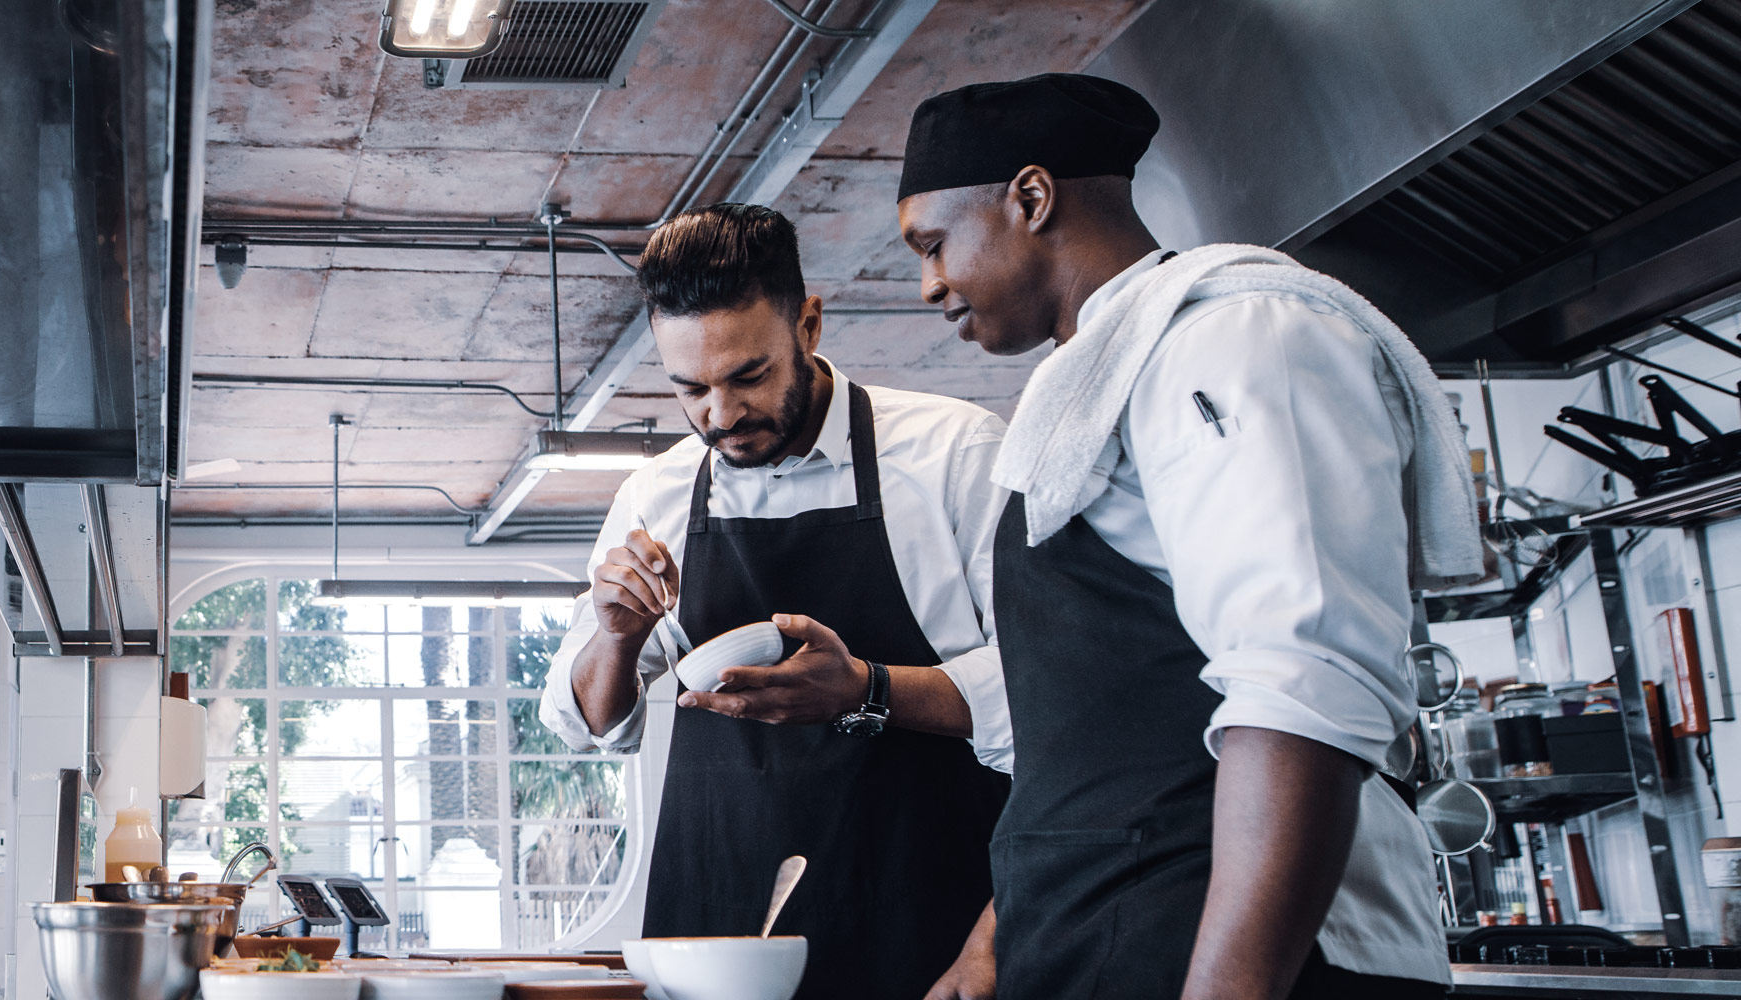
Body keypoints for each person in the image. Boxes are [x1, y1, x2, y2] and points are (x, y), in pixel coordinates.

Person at [714, 74, 1478, 999]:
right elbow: (1083, 715)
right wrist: (1001, 934)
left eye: (935, 243)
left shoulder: (1238, 337)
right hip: (1101, 937)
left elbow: (1301, 682)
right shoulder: (1092, 391)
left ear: (1031, 199)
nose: (927, 284)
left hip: (1240, 951)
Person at [537, 204, 1012, 1000]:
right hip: (713, 933)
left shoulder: (951, 454)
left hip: (923, 925)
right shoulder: (655, 492)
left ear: (810, 326)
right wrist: (617, 637)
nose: (719, 417)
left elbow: (1048, 688)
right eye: (690, 389)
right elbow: (588, 724)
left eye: (747, 376)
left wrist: (868, 687)